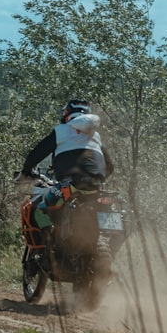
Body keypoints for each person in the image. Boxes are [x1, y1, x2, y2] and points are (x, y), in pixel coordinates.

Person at [18, 99, 114, 245]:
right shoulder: (96, 136)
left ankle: (50, 247)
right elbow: (110, 166)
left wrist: (26, 172)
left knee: (39, 209)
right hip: (95, 188)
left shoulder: (61, 130)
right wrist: (95, 179)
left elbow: (36, 154)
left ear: (67, 113)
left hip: (69, 185)